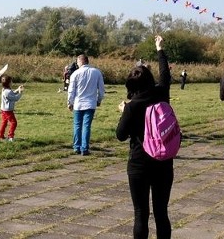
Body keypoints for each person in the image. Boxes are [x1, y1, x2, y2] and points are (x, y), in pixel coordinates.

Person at [116, 35, 174, 238]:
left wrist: (124, 111)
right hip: (164, 161)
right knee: (161, 212)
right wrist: (160, 49)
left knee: (141, 213)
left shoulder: (132, 106)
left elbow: (120, 135)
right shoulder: (161, 93)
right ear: (150, 80)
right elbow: (165, 75)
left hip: (140, 162)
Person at [67, 54, 105, 156]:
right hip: (90, 103)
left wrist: (69, 102)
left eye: (77, 62)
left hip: (78, 103)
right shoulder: (96, 72)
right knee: (86, 126)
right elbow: (101, 89)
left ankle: (76, 146)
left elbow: (71, 90)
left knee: (77, 125)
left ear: (80, 61)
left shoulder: (75, 73)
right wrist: (99, 99)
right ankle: (84, 148)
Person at [0, 75, 23, 141]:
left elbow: (12, 93)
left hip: (3, 110)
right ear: (9, 83)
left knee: (4, 122)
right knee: (14, 123)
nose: (12, 82)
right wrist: (20, 93)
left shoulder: (4, 89)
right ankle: (10, 137)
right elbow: (16, 98)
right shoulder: (8, 91)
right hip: (8, 111)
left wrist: (17, 90)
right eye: (11, 81)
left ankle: (1, 136)